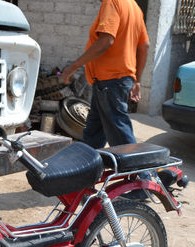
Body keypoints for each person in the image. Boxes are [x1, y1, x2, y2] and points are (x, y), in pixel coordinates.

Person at [61, 0, 149, 149]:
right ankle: (88, 161)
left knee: (121, 137)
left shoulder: (111, 2)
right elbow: (144, 46)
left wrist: (74, 66)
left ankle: (137, 165)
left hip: (111, 81)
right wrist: (137, 80)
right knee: (93, 132)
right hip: (109, 82)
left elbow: (106, 40)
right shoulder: (134, 6)